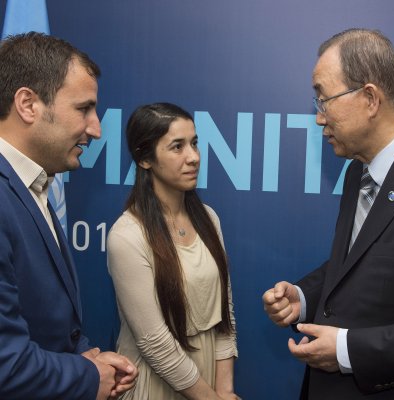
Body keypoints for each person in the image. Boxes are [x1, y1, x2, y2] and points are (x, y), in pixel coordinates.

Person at [263, 28, 394, 399]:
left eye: (324, 100)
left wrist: (347, 351)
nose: (319, 118)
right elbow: (357, 264)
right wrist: (304, 297)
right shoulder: (358, 170)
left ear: (370, 98)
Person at [0, 32, 138, 399]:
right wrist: (88, 376)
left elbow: (46, 327)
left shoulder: (34, 186)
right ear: (28, 104)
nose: (96, 128)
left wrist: (85, 360)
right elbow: (5, 364)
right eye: (83, 108)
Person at [107, 102, 239, 400]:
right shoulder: (127, 236)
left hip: (208, 386)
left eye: (194, 143)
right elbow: (156, 344)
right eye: (177, 147)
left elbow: (223, 313)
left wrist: (225, 390)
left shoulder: (208, 219)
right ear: (145, 159)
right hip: (154, 385)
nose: (193, 157)